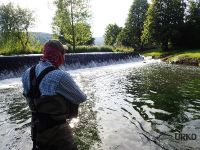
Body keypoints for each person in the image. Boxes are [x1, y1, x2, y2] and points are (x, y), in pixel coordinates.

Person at [22, 40, 87, 150]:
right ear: (60, 55)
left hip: (37, 130)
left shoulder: (27, 72)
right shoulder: (60, 76)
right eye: (64, 53)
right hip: (58, 134)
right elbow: (81, 98)